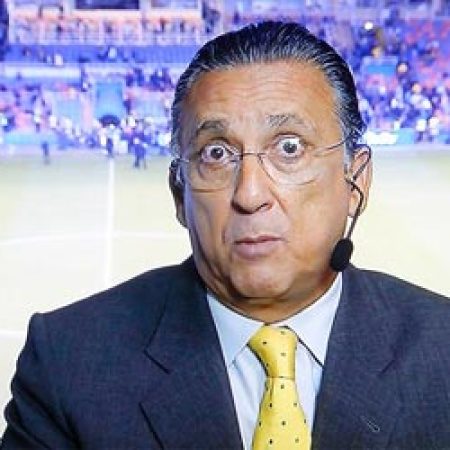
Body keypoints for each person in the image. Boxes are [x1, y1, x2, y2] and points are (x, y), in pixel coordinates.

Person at [2, 21, 450, 450]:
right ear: (179, 194)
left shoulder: (442, 351)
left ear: (356, 182)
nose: (250, 194)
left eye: (289, 147)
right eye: (215, 154)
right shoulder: (66, 363)